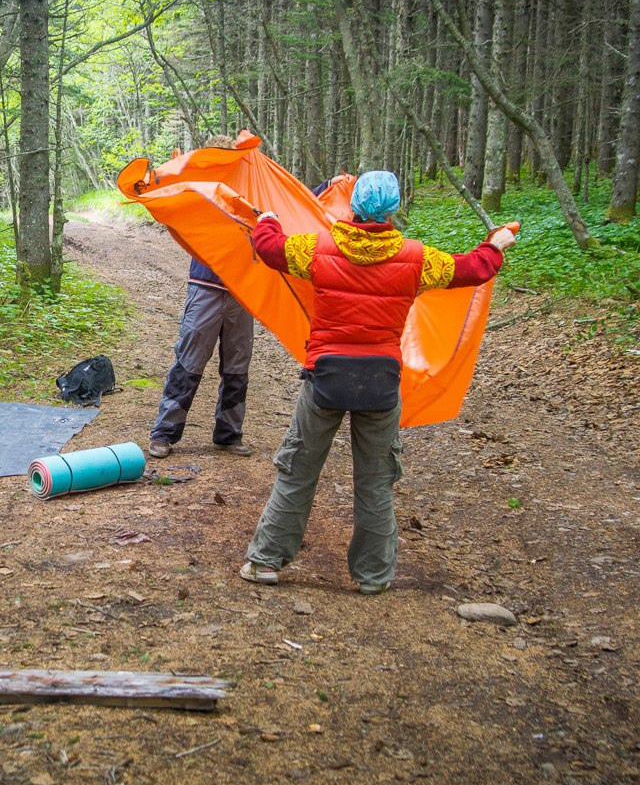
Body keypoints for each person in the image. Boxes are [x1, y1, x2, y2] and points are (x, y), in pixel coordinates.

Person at [239, 170, 516, 594]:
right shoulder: (418, 258)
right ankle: (372, 576)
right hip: (381, 383)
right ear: (393, 210)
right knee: (375, 483)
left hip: (325, 379)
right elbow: (474, 269)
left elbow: (270, 249)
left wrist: (268, 219)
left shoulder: (317, 249)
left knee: (297, 472)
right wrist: (495, 244)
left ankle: (264, 563)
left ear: (354, 206)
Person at [148, 255, 254, 459]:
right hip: (205, 284)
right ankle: (164, 433)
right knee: (189, 363)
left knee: (237, 367)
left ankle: (229, 434)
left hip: (243, 290)